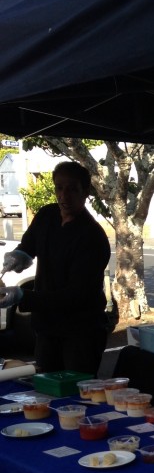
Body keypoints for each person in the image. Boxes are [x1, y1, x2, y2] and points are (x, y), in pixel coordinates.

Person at [0, 160, 112, 375]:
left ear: (85, 192)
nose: (64, 195)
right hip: (47, 328)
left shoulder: (92, 237)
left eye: (72, 189)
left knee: (77, 391)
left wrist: (24, 296)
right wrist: (18, 257)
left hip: (81, 331)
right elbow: (29, 244)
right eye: (59, 187)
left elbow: (75, 295)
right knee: (45, 385)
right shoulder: (47, 215)